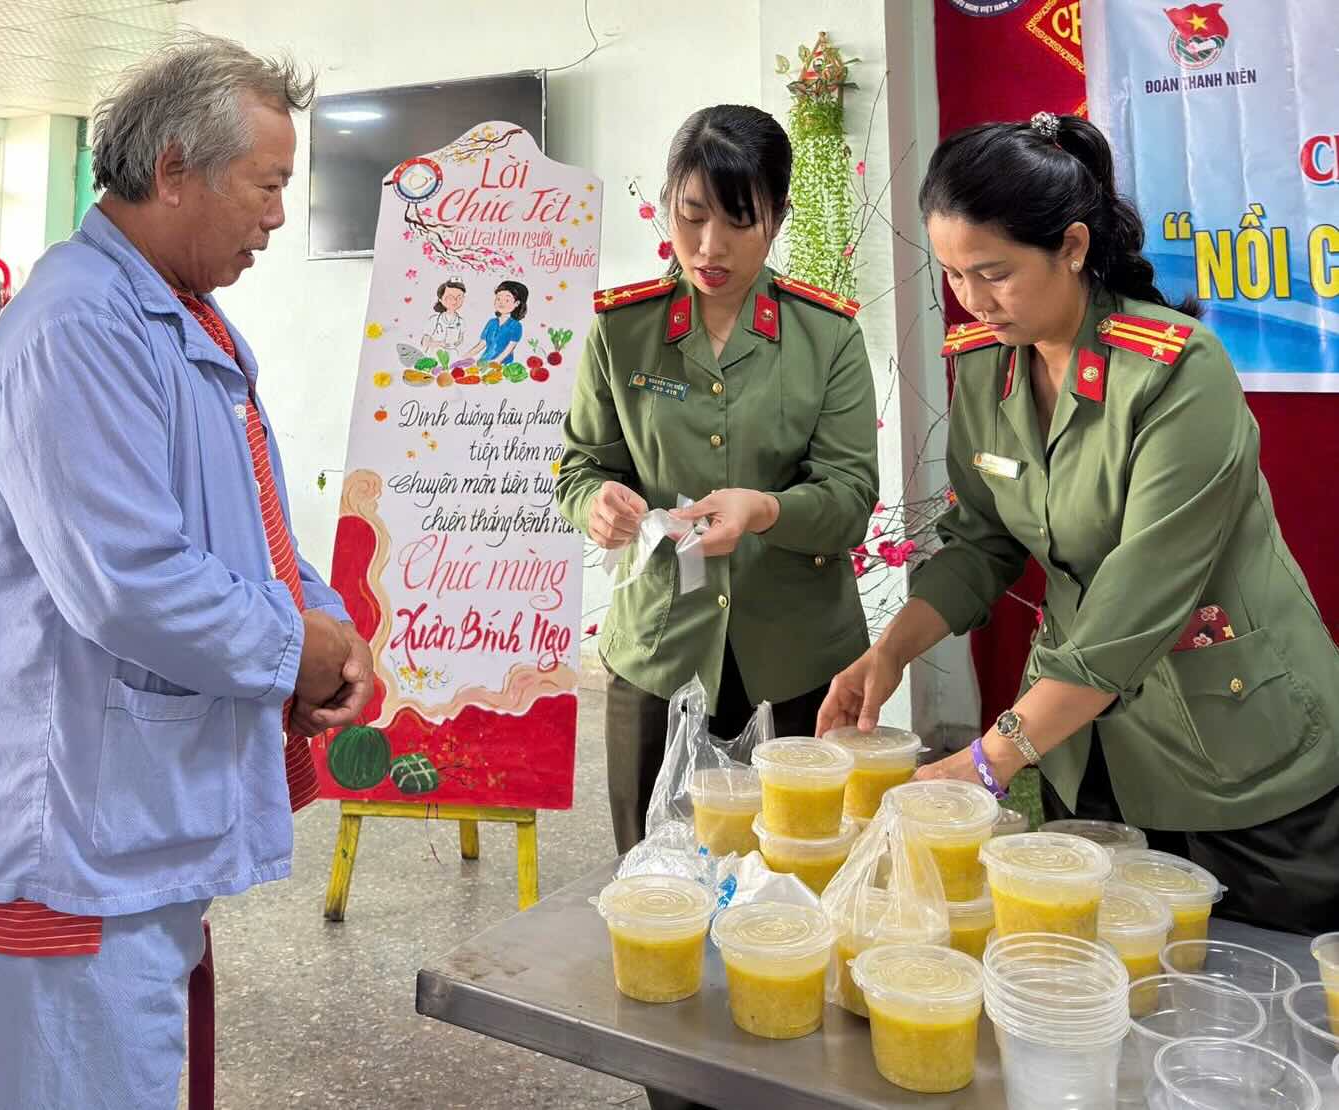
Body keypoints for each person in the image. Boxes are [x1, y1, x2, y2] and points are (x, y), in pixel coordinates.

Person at [0, 34, 374, 1107]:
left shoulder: (182, 320)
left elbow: (240, 528)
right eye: (267, 185)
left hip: (139, 828)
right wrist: (292, 648)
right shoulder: (77, 325)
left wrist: (321, 621)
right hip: (78, 841)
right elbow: (127, 579)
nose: (278, 215)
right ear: (175, 169)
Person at [818, 112, 1339, 934]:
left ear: (1069, 246)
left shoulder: (1175, 373)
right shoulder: (989, 369)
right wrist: (888, 651)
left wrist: (985, 762)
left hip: (1233, 749)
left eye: (992, 273)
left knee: (1267, 1001)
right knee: (1103, 984)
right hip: (1080, 745)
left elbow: (1136, 604)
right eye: (951, 274)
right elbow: (981, 540)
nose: (970, 301)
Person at [555, 103, 878, 862]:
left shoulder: (824, 337)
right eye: (691, 215)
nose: (708, 246)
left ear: (778, 218)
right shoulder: (622, 330)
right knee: (650, 863)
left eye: (739, 220)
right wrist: (591, 504)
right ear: (667, 205)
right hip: (659, 643)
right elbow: (580, 466)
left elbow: (850, 498)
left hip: (794, 651)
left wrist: (766, 509)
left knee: (793, 867)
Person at [465, 279, 528, 365]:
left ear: (517, 303)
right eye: (498, 298)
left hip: (502, 365)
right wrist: (464, 357)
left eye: (507, 300)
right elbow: (481, 344)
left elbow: (509, 349)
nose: (501, 303)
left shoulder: (516, 326)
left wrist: (496, 362)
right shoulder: (492, 323)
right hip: (483, 363)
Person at [420, 277, 467, 354]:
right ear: (440, 299)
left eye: (459, 297)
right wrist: (439, 344)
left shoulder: (461, 321)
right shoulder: (434, 320)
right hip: (435, 356)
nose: (455, 301)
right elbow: (424, 342)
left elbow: (460, 339)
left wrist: (456, 343)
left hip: (453, 355)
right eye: (450, 297)